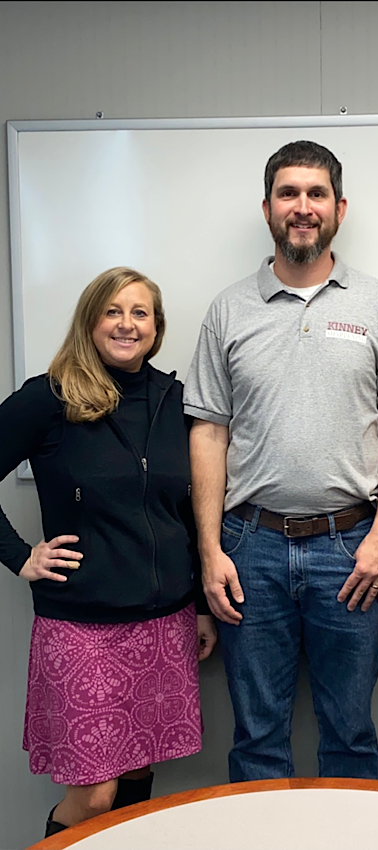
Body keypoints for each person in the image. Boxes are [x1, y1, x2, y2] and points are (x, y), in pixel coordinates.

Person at [183, 140, 378, 782]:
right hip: (248, 551)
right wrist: (210, 551)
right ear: (267, 208)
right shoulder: (229, 309)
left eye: (316, 194)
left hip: (352, 550)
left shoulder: (377, 305)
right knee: (257, 738)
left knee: (349, 734)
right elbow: (207, 433)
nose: (303, 207)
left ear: (339, 207)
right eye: (288, 194)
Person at [0, 267, 217, 837]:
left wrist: (195, 605)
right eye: (113, 311)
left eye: (140, 313)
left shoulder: (176, 402)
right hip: (81, 625)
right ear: (90, 320)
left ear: (157, 326)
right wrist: (19, 555)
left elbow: (187, 515)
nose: (127, 324)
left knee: (140, 773)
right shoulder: (48, 398)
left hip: (162, 622)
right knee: (95, 797)